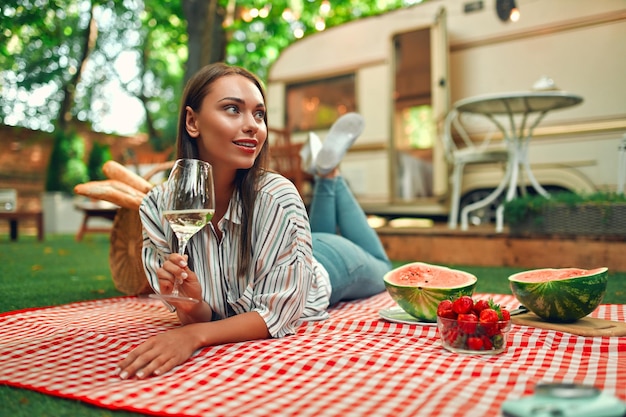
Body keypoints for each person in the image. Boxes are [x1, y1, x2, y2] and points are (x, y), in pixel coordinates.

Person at [115, 63, 391, 380]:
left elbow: (275, 315)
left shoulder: (276, 197)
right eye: (233, 109)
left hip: (328, 265)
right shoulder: (157, 207)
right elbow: (204, 313)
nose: (252, 126)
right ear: (192, 121)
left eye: (258, 114)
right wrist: (191, 304)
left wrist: (194, 336)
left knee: (384, 267)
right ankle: (327, 172)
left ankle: (329, 175)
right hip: (291, 248)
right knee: (314, 234)